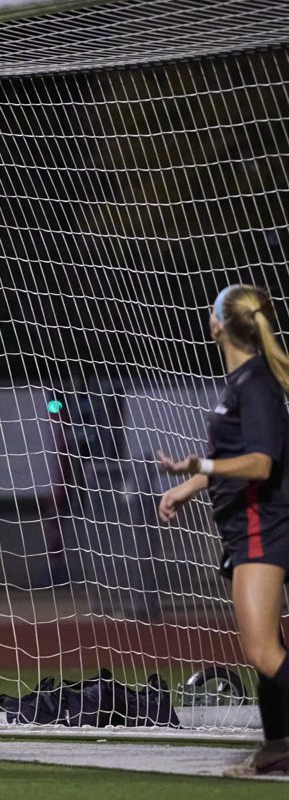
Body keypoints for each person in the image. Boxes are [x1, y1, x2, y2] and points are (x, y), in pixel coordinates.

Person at [157, 284, 289, 778]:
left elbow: (259, 462)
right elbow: (238, 455)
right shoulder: (244, 381)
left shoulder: (254, 382)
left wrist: (202, 462)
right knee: (267, 646)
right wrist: (190, 484)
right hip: (253, 524)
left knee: (260, 650)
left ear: (218, 324)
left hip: (262, 525)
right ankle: (277, 745)